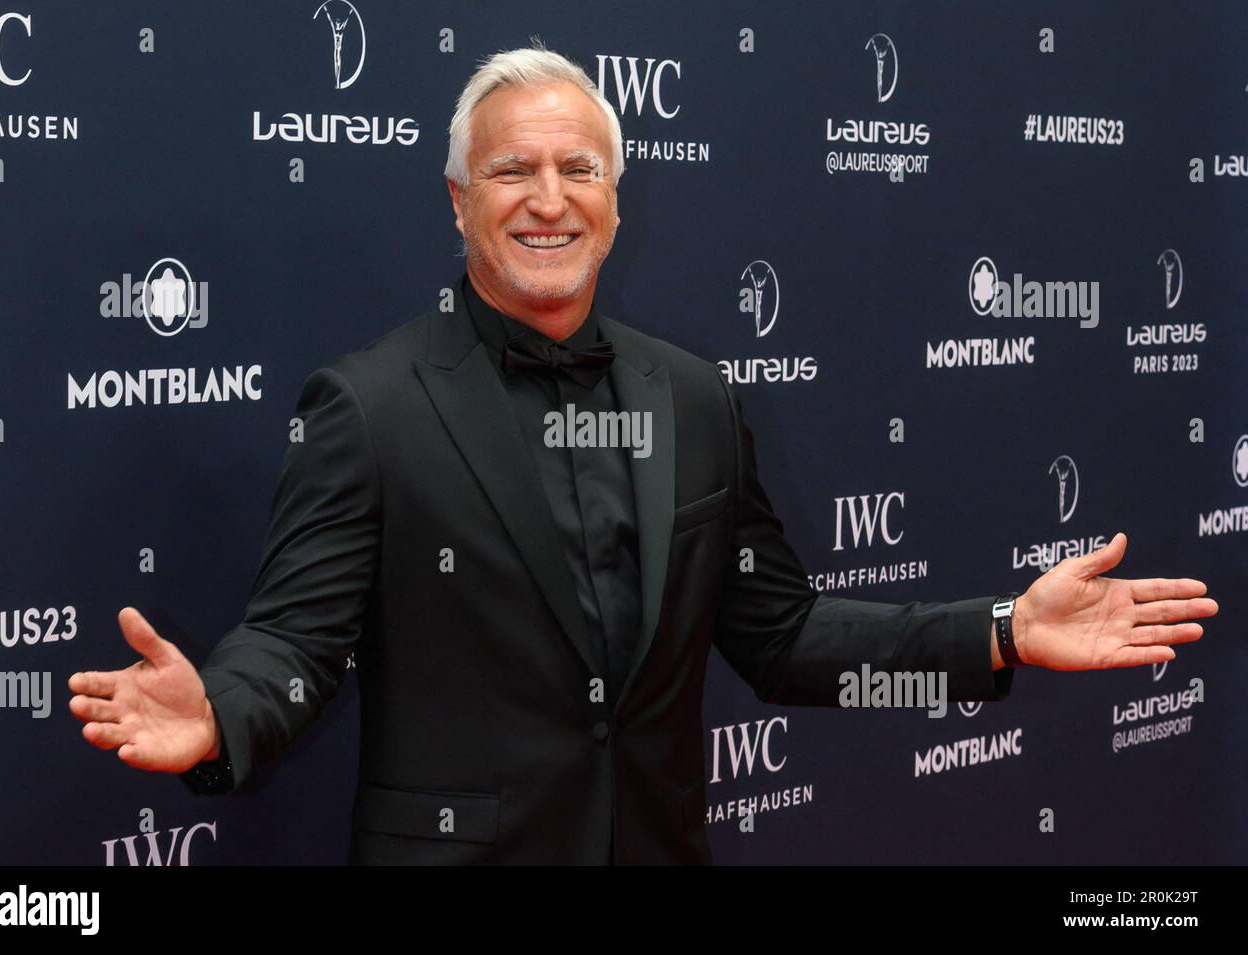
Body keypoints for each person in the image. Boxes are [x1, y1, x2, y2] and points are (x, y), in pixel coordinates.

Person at [68, 44, 1218, 864]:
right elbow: (296, 636)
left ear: (616, 204)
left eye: (580, 171)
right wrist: (220, 710)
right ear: (460, 202)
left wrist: (1002, 631)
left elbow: (780, 634)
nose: (548, 201)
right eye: (514, 172)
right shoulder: (371, 407)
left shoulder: (698, 395)